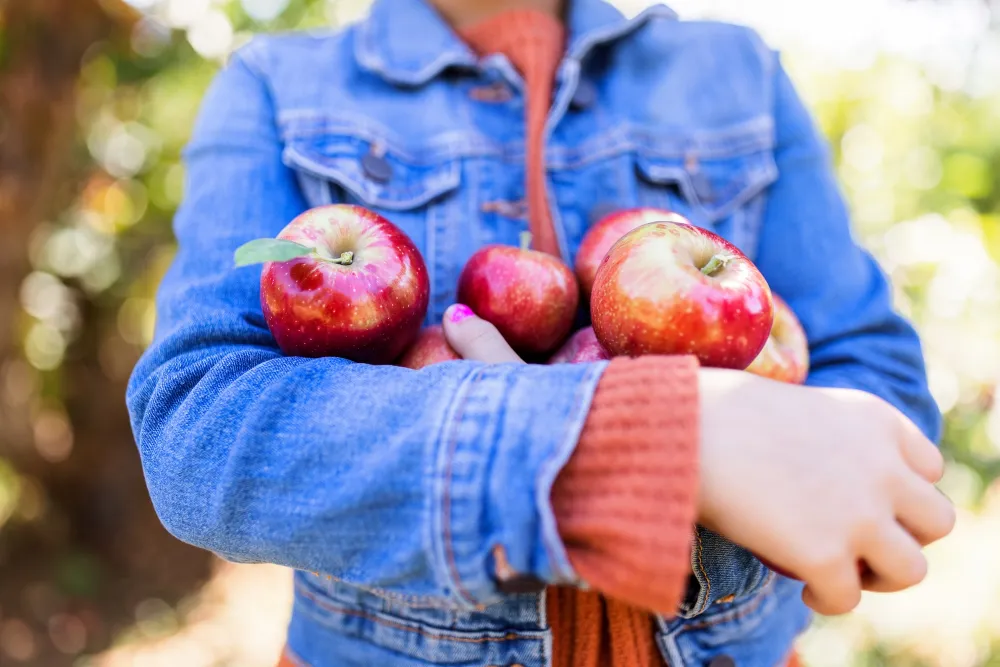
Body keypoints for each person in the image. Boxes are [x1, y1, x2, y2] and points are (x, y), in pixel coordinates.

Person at [126, 0, 956, 664]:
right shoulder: (278, 88)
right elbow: (199, 429)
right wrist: (663, 440)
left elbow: (878, 386)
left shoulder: (737, 74)